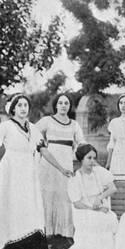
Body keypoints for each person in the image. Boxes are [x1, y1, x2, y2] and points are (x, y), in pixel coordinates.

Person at [0, 94, 73, 249]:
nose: (23, 108)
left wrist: (61, 169)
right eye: (20, 105)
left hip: (29, 174)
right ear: (13, 108)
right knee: (14, 209)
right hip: (11, 174)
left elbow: (44, 151)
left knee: (32, 208)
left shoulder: (33, 128)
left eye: (26, 105)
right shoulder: (5, 127)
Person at [57, 144, 119, 249]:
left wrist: (100, 197)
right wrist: (94, 208)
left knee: (108, 218)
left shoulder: (99, 172)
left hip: (99, 207)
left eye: (94, 158)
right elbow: (77, 203)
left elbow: (113, 188)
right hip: (83, 210)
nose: (92, 161)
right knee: (95, 219)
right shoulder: (74, 178)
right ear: (81, 159)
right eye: (89, 158)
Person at [36, 94, 85, 240]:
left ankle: (64, 232)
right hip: (48, 163)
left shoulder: (74, 125)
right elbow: (33, 135)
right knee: (48, 195)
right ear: (56, 105)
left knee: (65, 195)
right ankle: (46, 231)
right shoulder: (47, 121)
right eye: (60, 103)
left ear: (70, 106)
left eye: (66, 103)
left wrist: (84, 153)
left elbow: (81, 142)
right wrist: (41, 147)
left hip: (66, 163)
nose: (63, 105)